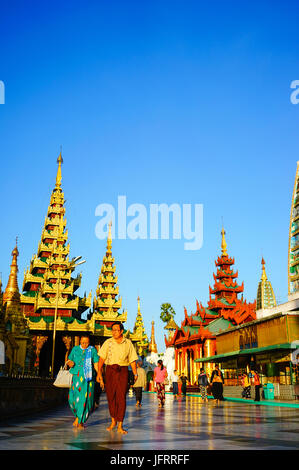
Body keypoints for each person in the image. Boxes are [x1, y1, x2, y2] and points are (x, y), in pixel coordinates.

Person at [96, 321, 138, 434]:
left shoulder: (128, 343)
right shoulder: (108, 342)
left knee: (121, 398)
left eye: (116, 330)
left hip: (123, 371)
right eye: (112, 330)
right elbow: (101, 360)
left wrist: (135, 373)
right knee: (111, 396)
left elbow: (132, 360)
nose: (114, 332)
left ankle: (120, 424)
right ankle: (113, 420)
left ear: (121, 331)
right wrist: (99, 374)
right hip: (110, 371)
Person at [66, 335, 99, 429]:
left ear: (89, 342)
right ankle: (78, 416)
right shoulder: (75, 349)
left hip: (88, 378)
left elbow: (96, 363)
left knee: (85, 400)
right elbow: (69, 360)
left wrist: (99, 374)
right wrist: (70, 363)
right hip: (76, 377)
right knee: (72, 398)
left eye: (86, 343)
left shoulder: (92, 350)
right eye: (83, 342)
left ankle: (80, 421)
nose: (84, 344)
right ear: (80, 341)